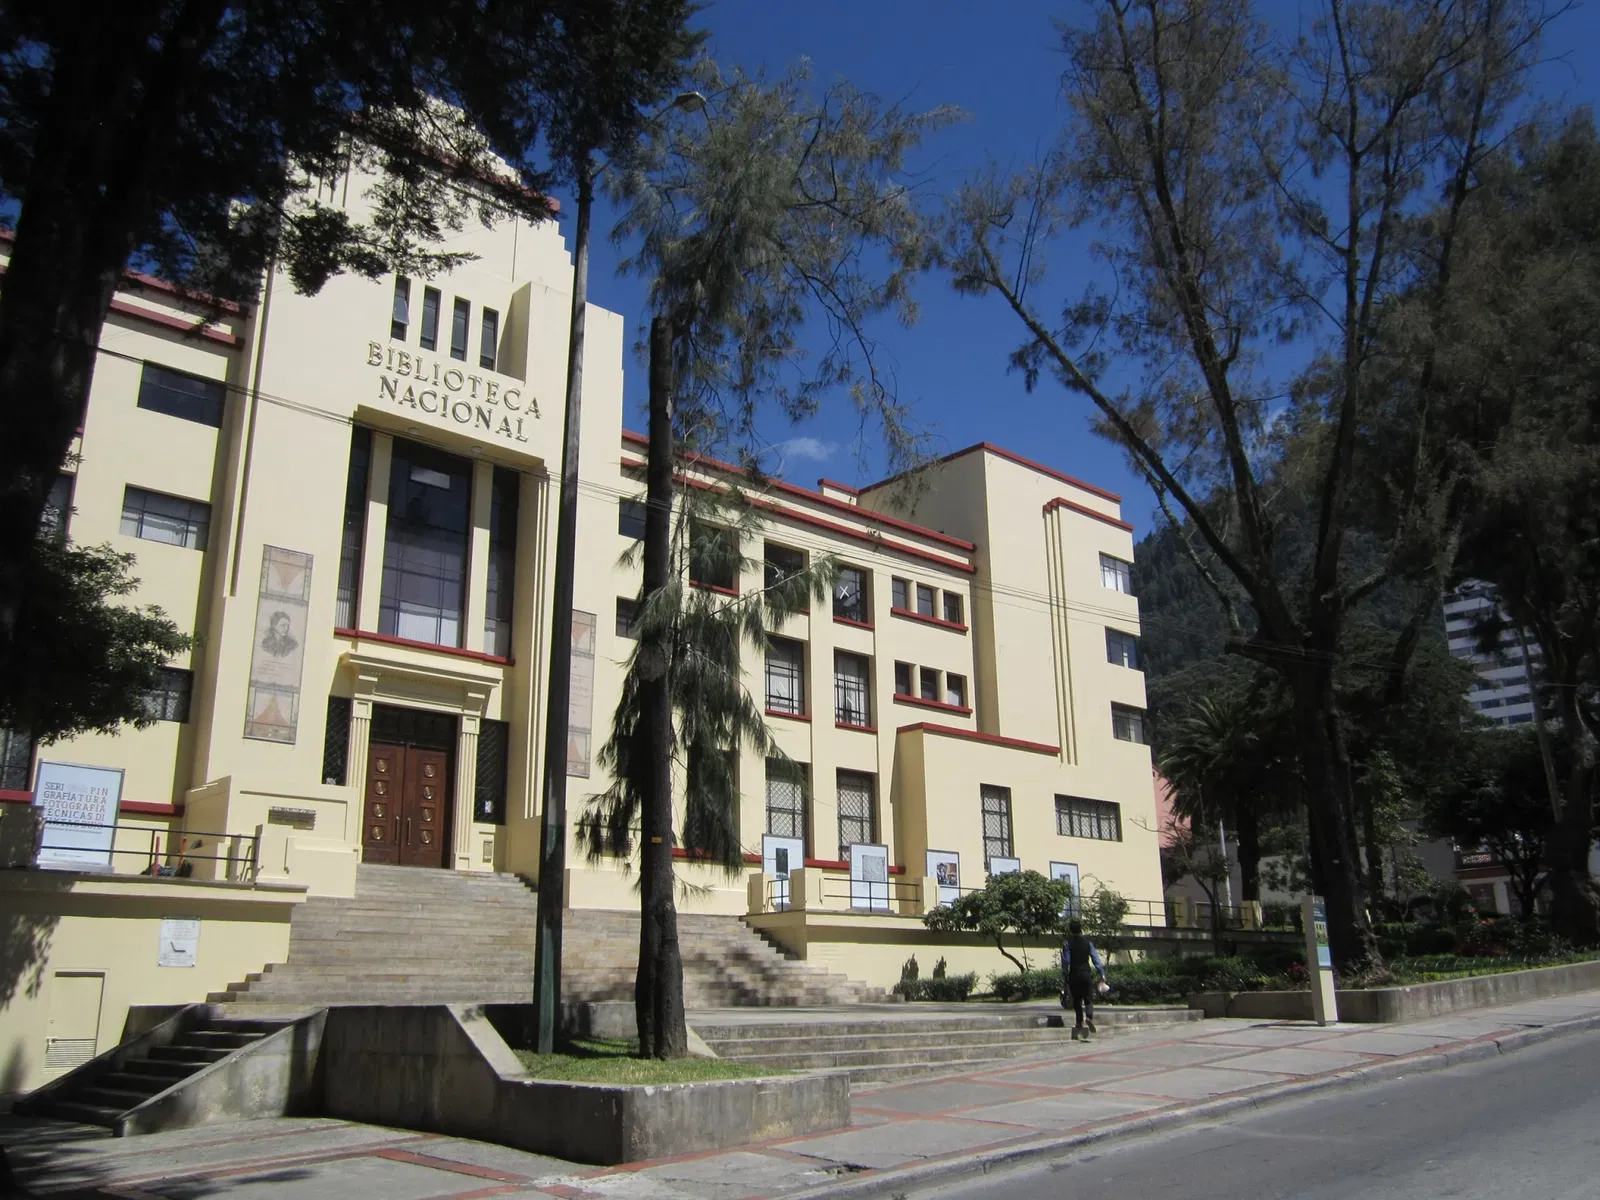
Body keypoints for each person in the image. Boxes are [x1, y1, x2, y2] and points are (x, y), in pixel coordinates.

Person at [1061, 918, 1107, 1040]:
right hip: (1086, 974)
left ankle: (1079, 1022)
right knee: (1088, 998)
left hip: (1074, 975)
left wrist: (1065, 973)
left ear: (1070, 931)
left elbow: (1066, 961)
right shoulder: (1088, 943)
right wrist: (1101, 973)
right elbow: (1096, 959)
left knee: (1077, 1000)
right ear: (1081, 930)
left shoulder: (1067, 943)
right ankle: (1089, 1017)